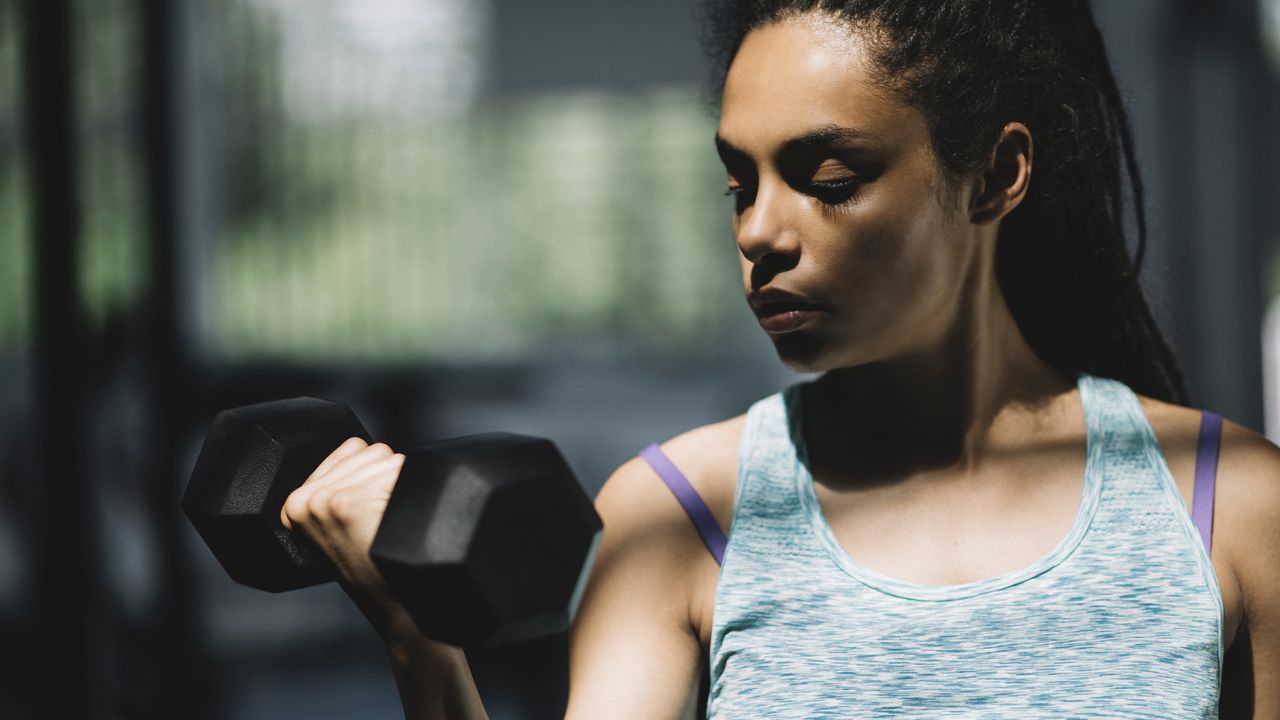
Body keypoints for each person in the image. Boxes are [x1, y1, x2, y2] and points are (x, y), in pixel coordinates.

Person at [278, 1, 1280, 717]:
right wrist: (422, 649)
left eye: (828, 177)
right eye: (737, 186)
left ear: (995, 175)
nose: (760, 232)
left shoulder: (1227, 505)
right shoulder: (671, 517)